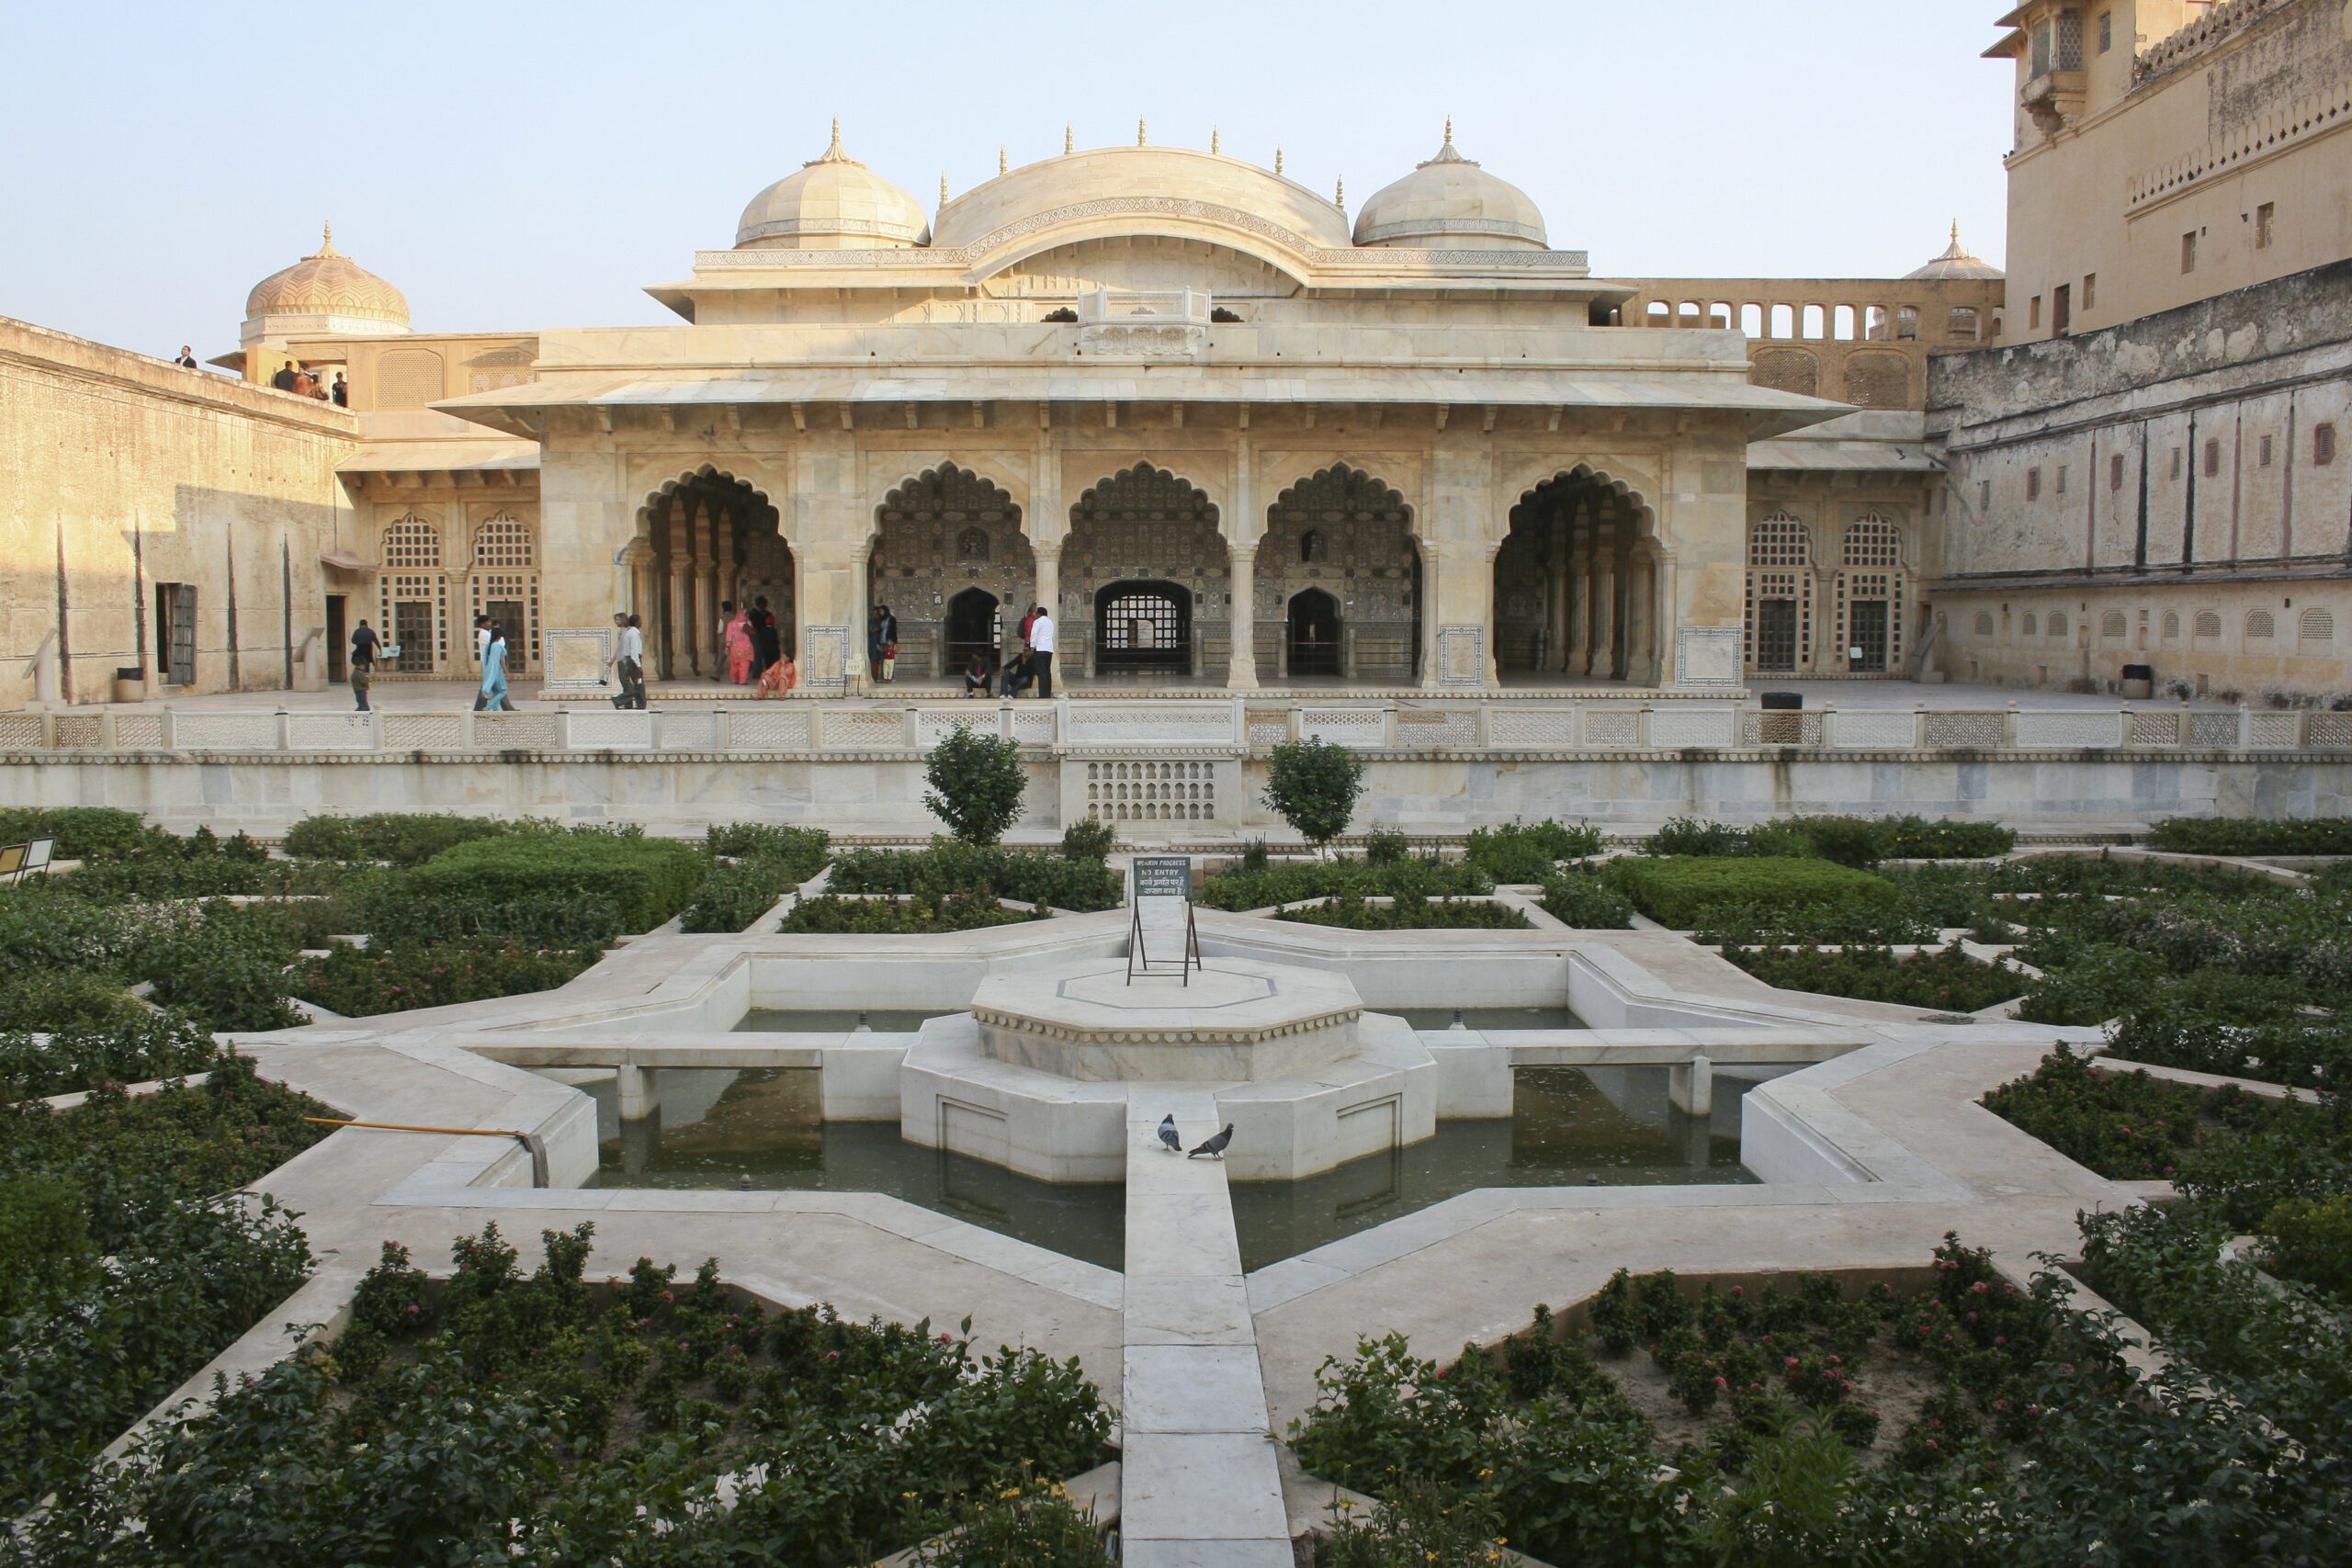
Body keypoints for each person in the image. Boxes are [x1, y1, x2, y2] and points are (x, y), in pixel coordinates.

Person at [607, 613, 646, 709]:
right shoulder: (630, 633)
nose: (616, 622)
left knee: (635, 684)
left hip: (627, 661)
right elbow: (631, 651)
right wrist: (638, 665)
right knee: (636, 685)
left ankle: (632, 704)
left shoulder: (627, 632)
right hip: (629, 661)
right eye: (616, 620)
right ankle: (620, 700)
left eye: (618, 620)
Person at [477, 626, 514, 712]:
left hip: (490, 672)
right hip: (497, 673)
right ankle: (488, 707)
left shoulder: (489, 646)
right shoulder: (497, 646)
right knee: (503, 691)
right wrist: (508, 674)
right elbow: (501, 661)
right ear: (500, 636)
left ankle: (494, 713)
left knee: (496, 692)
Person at [1027, 604, 1056, 697]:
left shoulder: (1038, 621)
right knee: (1047, 672)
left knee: (1041, 673)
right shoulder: (1050, 622)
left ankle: (1043, 695)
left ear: (1039, 614)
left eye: (1036, 614)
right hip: (1049, 649)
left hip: (1040, 649)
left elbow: (1034, 634)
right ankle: (1047, 693)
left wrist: (1032, 647)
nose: (1035, 615)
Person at [751, 595, 780, 680]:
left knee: (768, 656)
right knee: (757, 655)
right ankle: (757, 674)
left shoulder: (767, 614)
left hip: (767, 637)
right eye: (763, 604)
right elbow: (754, 624)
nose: (764, 606)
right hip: (757, 636)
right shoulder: (753, 613)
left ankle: (769, 673)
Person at [724, 602, 753, 685]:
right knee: (745, 664)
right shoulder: (747, 623)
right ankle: (743, 680)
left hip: (735, 648)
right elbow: (752, 631)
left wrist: (727, 647)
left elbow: (729, 637)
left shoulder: (731, 624)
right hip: (746, 647)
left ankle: (735, 678)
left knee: (735, 665)